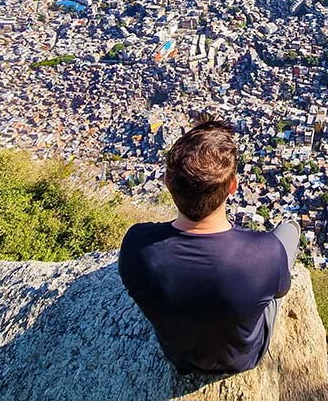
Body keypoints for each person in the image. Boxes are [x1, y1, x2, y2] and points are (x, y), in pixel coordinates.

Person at [118, 119, 301, 375]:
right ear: (233, 187)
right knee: (289, 230)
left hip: (179, 357)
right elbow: (280, 292)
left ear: (167, 182)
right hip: (244, 358)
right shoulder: (265, 253)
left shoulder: (137, 246)